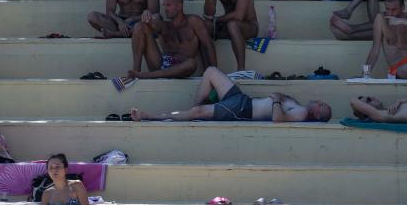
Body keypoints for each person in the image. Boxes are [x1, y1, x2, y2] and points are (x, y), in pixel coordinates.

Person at [132, 65, 331, 123]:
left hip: (242, 110)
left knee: (199, 112)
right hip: (242, 99)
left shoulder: (302, 114)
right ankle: (191, 110)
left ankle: (150, 116)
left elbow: (278, 119)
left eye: (323, 106)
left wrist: (277, 100)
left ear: (318, 115)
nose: (320, 102)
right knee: (210, 71)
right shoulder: (300, 106)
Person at [129, 0, 216, 79]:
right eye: (164, 5)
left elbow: (208, 44)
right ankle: (136, 72)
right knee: (139, 26)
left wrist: (214, 71)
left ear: (179, 6)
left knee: (192, 63)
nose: (165, 9)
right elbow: (154, 23)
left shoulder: (193, 21)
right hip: (161, 64)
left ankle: (147, 75)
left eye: (168, 5)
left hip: (181, 67)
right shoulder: (164, 24)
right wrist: (146, 14)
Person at [203, 0, 258, 71]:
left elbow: (239, 15)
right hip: (227, 25)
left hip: (248, 26)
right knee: (203, 26)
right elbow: (208, 13)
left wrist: (216, 20)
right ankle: (210, 70)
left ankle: (241, 70)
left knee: (233, 24)